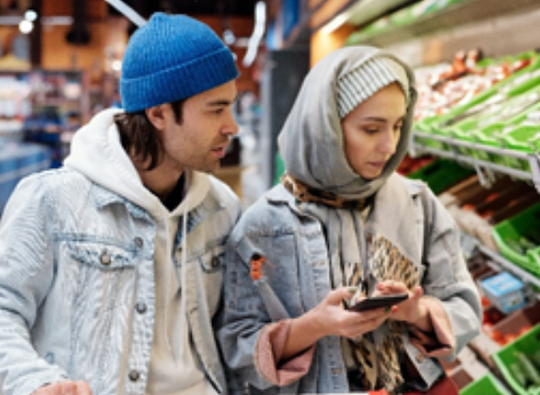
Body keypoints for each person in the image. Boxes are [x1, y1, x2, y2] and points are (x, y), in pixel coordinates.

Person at [0, 12, 241, 395]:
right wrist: (35, 382)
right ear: (159, 113)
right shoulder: (52, 201)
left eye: (231, 106)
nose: (233, 125)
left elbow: (234, 331)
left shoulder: (222, 208)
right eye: (216, 109)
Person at [217, 46, 482, 394]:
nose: (390, 146)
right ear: (325, 128)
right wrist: (313, 327)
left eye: (398, 125)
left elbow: (464, 307)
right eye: (371, 129)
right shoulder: (263, 225)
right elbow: (236, 349)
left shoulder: (418, 204)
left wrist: (418, 312)